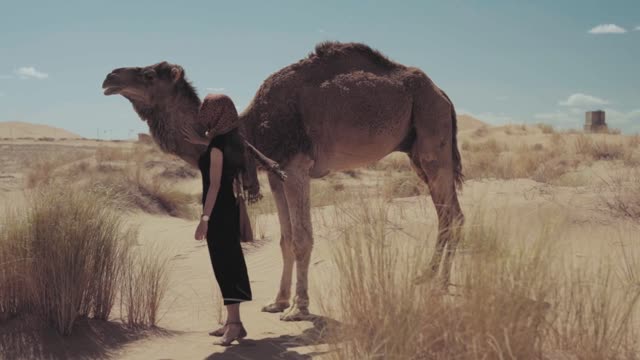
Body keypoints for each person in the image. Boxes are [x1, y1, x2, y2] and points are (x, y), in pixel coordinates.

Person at [182, 94, 284, 346]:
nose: (203, 113)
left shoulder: (218, 146)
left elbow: (214, 186)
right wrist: (202, 140)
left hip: (218, 211)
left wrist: (204, 219)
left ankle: (235, 325)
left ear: (217, 114)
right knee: (229, 263)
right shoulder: (232, 140)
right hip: (227, 207)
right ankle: (232, 322)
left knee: (225, 265)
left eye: (208, 109)